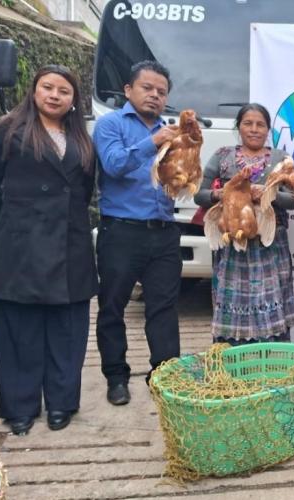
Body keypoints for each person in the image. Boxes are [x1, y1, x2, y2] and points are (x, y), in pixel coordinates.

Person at [0, 65, 97, 435]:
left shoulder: (81, 139)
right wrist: (10, 225)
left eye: (63, 91)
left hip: (70, 243)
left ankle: (62, 402)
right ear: (34, 91)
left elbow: (84, 190)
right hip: (20, 243)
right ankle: (20, 406)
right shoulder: (7, 130)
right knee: (20, 327)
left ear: (73, 100)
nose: (54, 95)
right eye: (47, 87)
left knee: (67, 329)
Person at [92, 60, 182, 406]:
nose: (155, 95)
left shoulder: (170, 132)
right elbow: (114, 165)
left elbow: (178, 177)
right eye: (148, 88)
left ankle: (165, 376)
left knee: (164, 307)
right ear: (128, 90)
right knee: (112, 306)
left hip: (164, 231)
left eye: (162, 91)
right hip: (121, 232)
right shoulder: (110, 124)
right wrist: (152, 142)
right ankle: (116, 377)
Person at [194, 104, 294, 344]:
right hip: (232, 243)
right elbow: (199, 194)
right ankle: (233, 356)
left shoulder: (281, 159)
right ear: (238, 127)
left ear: (268, 130)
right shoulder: (222, 155)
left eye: (260, 125)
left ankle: (272, 357)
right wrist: (223, 194)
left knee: (270, 300)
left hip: (269, 242)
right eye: (248, 123)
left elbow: (293, 200)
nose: (254, 129)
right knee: (232, 300)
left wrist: (268, 195)